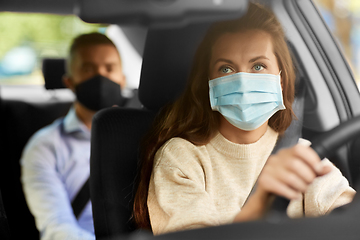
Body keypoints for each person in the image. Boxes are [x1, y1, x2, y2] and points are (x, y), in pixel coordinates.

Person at [133, 3, 356, 235]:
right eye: (226, 69)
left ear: (280, 79)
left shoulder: (303, 157)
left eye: (258, 66)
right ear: (208, 83)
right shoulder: (181, 158)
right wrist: (260, 204)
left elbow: (349, 217)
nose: (242, 82)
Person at [21, 32, 126, 240]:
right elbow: (57, 229)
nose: (101, 76)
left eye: (110, 68)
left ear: (123, 79)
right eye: (88, 69)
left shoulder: (149, 135)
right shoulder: (45, 146)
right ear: (69, 81)